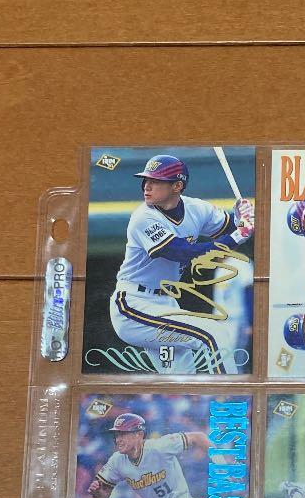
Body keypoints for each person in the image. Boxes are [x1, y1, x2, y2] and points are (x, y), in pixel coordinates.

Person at [109, 154, 254, 374]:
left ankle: (195, 398)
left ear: (177, 186)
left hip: (166, 303)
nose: (147, 186)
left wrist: (243, 217)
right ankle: (230, 394)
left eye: (155, 180)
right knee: (214, 333)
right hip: (134, 304)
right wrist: (237, 236)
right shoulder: (143, 217)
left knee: (181, 377)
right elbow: (181, 252)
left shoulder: (197, 208)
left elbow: (230, 228)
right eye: (146, 180)